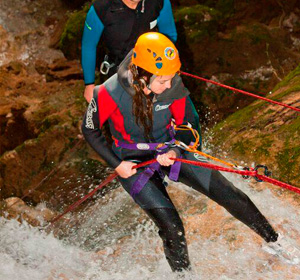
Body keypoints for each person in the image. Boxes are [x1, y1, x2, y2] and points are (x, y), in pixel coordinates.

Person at [81, 32, 278, 273]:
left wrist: (175, 149)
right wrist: (117, 165)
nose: (169, 85)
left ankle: (276, 242)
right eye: (163, 80)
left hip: (170, 148)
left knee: (228, 192)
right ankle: (184, 277)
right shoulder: (108, 92)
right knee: (172, 226)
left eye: (172, 79)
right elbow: (90, 129)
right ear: (142, 76)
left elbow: (190, 123)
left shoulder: (172, 85)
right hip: (131, 161)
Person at [81, 0, 177, 103]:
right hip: (116, 72)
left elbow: (170, 34)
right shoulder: (101, 9)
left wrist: (168, 67)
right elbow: (88, 46)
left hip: (153, 70)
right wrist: (89, 84)